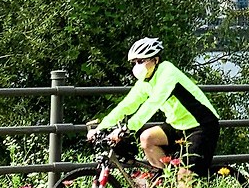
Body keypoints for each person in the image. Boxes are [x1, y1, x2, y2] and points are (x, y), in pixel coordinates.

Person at [91, 38, 222, 178]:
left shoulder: (168, 72)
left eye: (141, 61)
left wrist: (128, 127)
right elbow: (127, 105)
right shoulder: (146, 80)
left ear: (156, 60)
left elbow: (153, 103)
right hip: (177, 125)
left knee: (184, 176)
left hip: (201, 125)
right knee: (147, 138)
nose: (137, 66)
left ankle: (181, 185)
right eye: (134, 62)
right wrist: (101, 127)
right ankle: (165, 180)